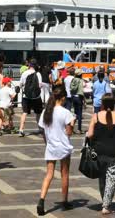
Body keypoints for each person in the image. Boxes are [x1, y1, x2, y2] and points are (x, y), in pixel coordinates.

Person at [36, 87, 76, 215]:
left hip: (51, 146)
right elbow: (69, 133)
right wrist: (72, 124)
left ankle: (41, 201)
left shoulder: (46, 111)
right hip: (63, 146)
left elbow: (42, 131)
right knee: (64, 174)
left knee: (49, 174)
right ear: (63, 98)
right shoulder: (66, 112)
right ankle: (64, 201)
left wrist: (47, 143)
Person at [19, 59, 43, 137]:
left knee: (24, 112)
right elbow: (40, 85)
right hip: (36, 96)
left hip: (26, 96)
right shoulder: (38, 74)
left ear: (29, 65)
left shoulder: (24, 73)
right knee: (38, 113)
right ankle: (40, 128)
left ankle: (21, 129)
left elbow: (21, 84)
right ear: (35, 65)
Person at [70, 69, 85, 134]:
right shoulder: (81, 80)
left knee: (75, 114)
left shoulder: (73, 79)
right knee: (79, 114)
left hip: (73, 97)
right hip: (79, 97)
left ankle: (71, 127)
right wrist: (84, 100)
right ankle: (79, 129)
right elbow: (82, 91)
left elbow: (71, 88)